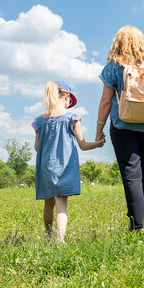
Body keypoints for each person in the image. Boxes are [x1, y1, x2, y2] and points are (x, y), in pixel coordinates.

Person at [96, 25, 144, 232]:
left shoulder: (113, 67)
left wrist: (99, 128)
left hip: (123, 126)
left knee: (131, 176)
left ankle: (138, 225)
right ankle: (137, 222)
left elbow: (105, 102)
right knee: (141, 176)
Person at [32, 81, 105, 242]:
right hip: (64, 167)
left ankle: (48, 235)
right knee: (61, 204)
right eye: (69, 101)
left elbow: (37, 148)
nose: (69, 105)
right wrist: (98, 144)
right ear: (66, 96)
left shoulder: (39, 121)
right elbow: (83, 145)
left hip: (45, 167)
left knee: (48, 203)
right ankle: (60, 238)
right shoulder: (72, 118)